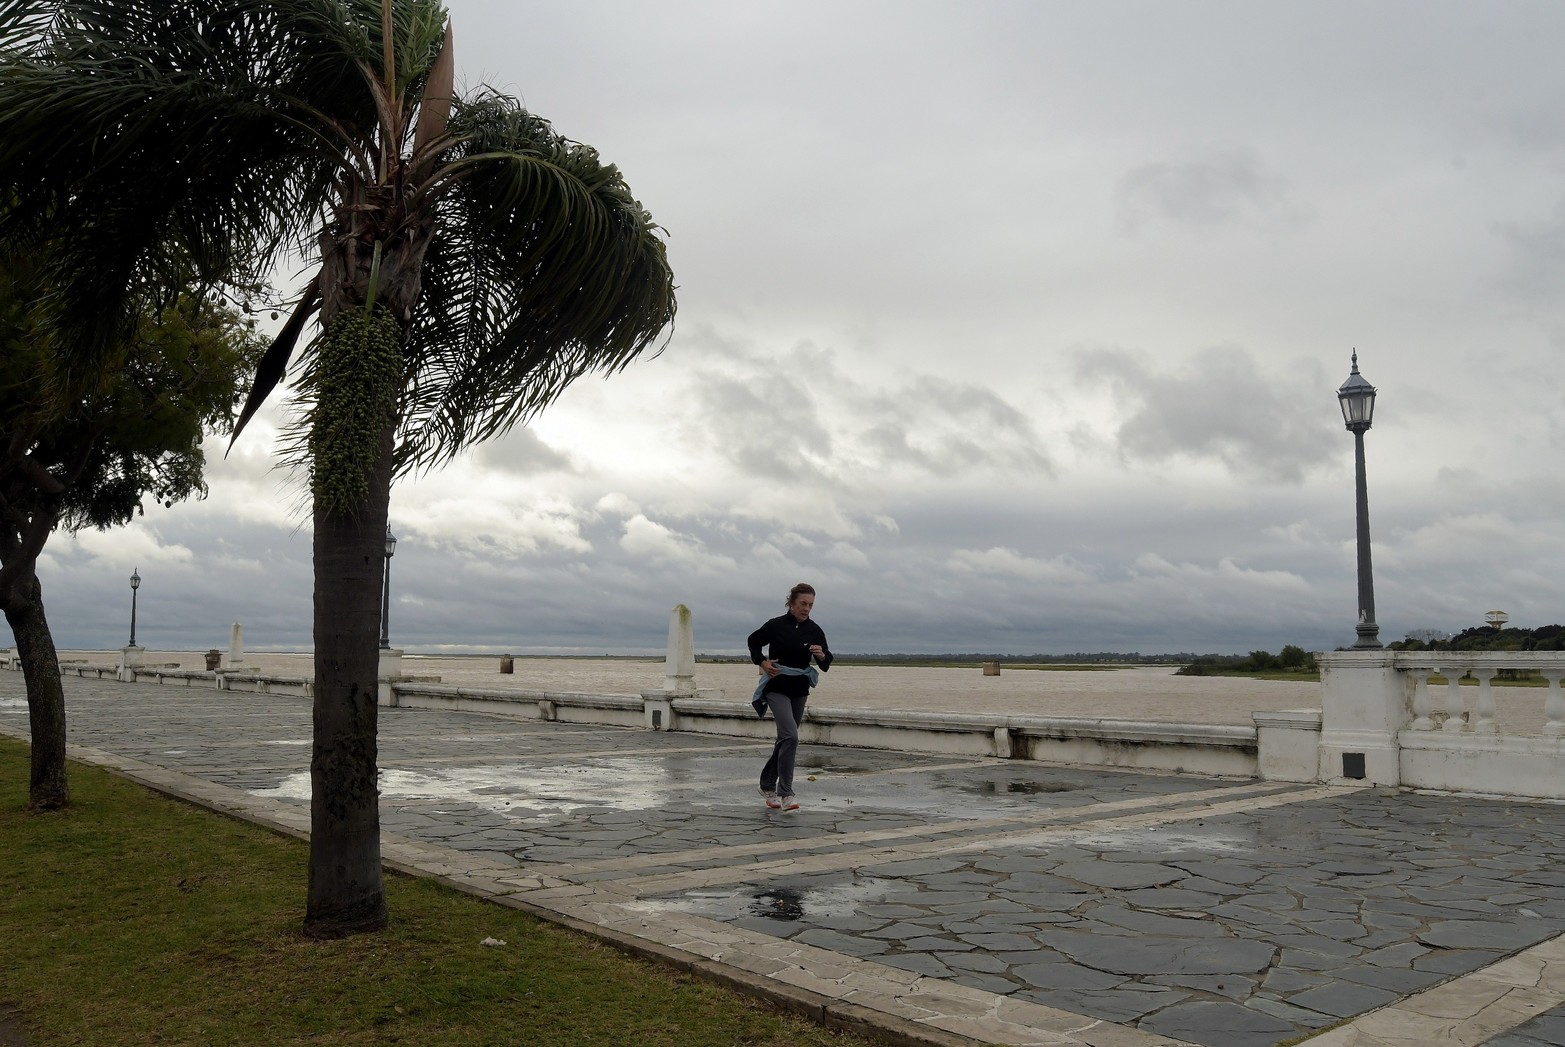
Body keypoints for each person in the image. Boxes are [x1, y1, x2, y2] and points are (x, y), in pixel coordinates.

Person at [747, 582, 832, 812]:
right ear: (792, 603)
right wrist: (763, 662)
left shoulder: (814, 630)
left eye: (811, 605)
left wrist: (822, 655)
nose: (807, 608)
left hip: (800, 689)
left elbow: (826, 663)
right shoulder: (775, 625)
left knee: (786, 739)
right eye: (803, 603)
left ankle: (767, 784)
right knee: (791, 736)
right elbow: (753, 641)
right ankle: (786, 793)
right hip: (776, 686)